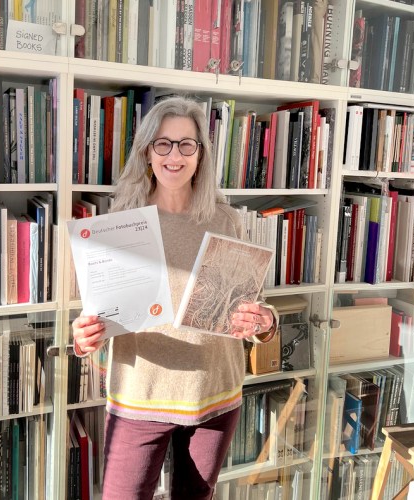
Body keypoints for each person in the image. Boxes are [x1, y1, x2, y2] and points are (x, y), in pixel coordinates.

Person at [71, 96, 279, 500]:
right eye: (163, 143)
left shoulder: (226, 219)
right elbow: (97, 313)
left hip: (214, 395)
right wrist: (83, 338)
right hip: (139, 396)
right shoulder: (119, 223)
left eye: (187, 144)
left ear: (200, 155)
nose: (174, 155)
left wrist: (265, 323)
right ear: (148, 152)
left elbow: (255, 305)